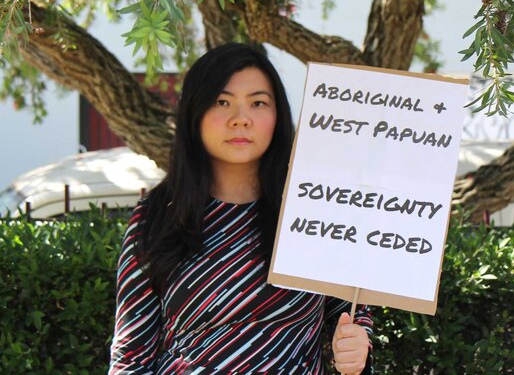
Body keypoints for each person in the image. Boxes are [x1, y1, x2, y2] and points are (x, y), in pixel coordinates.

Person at [109, 43, 374, 374]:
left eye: (258, 103)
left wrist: (357, 346)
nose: (241, 119)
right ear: (195, 113)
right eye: (222, 102)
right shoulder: (157, 215)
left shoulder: (313, 211)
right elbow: (131, 357)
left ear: (278, 116)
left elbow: (349, 311)